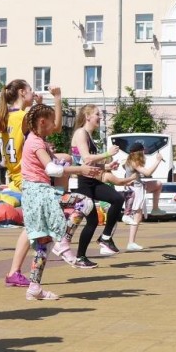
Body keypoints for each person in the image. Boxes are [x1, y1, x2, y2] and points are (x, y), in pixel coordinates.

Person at [0, 81, 80, 287]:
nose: (34, 92)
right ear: (22, 92)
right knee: (34, 226)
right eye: (30, 90)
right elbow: (54, 127)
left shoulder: (7, 117)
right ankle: (16, 270)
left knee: (33, 225)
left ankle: (17, 272)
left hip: (16, 174)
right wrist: (57, 98)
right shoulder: (22, 117)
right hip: (28, 175)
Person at [20, 104, 100, 300]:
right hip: (40, 193)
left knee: (43, 243)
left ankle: (34, 287)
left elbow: (56, 163)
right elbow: (52, 170)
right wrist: (80, 170)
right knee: (84, 203)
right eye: (51, 123)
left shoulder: (37, 140)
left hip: (36, 193)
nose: (54, 127)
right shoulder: (36, 143)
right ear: (42, 122)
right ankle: (63, 243)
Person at [71, 104, 125, 265]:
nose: (100, 117)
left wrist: (107, 166)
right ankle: (80, 256)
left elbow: (87, 162)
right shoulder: (81, 133)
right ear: (87, 117)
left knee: (117, 198)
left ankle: (105, 237)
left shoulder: (89, 135)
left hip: (93, 181)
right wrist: (108, 153)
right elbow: (86, 159)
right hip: (84, 184)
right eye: (97, 114)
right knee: (92, 221)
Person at [121, 142, 165, 251]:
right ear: (140, 151)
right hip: (136, 190)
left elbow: (127, 172)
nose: (144, 153)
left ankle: (155, 209)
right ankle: (131, 242)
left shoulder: (128, 161)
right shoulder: (134, 162)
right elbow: (148, 172)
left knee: (158, 184)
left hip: (138, 186)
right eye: (143, 151)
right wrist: (158, 160)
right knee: (137, 215)